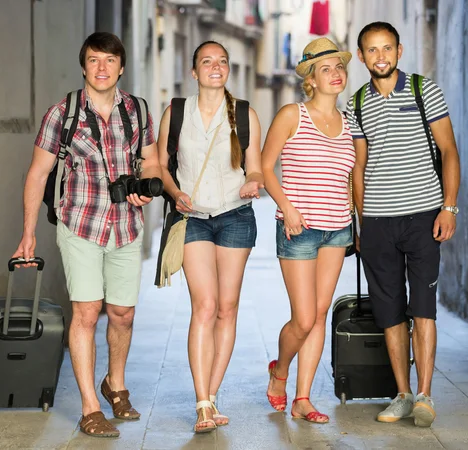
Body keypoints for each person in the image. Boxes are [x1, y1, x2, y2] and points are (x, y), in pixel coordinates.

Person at [12, 32, 161, 438]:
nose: (101, 68)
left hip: (127, 226)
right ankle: (91, 408)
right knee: (87, 312)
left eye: (109, 61)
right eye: (94, 60)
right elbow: (37, 173)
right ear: (83, 66)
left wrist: (145, 184)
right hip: (80, 223)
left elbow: (153, 161)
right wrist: (28, 233)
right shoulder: (63, 113)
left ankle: (115, 384)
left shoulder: (138, 110)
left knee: (123, 314)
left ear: (121, 67)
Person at [347, 22, 460, 427]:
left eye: (387, 49)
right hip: (377, 222)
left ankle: (426, 396)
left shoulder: (422, 89)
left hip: (423, 216)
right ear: (361, 56)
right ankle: (403, 394)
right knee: (390, 312)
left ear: (399, 51)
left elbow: (448, 150)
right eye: (372, 50)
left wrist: (449, 208)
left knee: (423, 307)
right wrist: (360, 223)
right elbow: (357, 169)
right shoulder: (355, 103)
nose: (380, 57)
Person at [156, 41, 264, 433]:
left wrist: (254, 183)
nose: (214, 67)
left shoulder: (245, 114)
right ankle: (202, 403)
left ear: (228, 70)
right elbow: (162, 165)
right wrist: (174, 191)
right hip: (194, 219)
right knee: (204, 305)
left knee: (226, 308)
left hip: (236, 216)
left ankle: (213, 395)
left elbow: (257, 169)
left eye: (221, 61)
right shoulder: (177, 112)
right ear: (194, 71)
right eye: (207, 61)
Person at [262, 37, 355, 423]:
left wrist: (357, 221)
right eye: (326, 69)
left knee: (318, 316)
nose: (336, 74)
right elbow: (267, 169)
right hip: (299, 229)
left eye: (339, 67)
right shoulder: (291, 115)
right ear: (311, 79)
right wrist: (287, 209)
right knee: (302, 318)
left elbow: (351, 179)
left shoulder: (349, 123)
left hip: (337, 230)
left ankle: (303, 398)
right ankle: (279, 371)